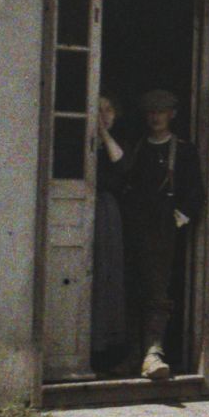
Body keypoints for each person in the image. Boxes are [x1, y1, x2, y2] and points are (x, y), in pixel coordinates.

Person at [121, 88, 206, 383]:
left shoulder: (183, 150)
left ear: (173, 114)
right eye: (151, 112)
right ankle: (133, 355)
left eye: (161, 111)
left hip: (161, 228)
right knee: (132, 287)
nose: (155, 117)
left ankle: (153, 353)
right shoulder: (137, 147)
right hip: (134, 224)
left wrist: (177, 220)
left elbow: (195, 192)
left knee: (157, 289)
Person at [90, 94, 132, 374]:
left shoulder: (119, 143)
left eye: (109, 110)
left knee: (108, 275)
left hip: (107, 213)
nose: (103, 115)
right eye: (97, 109)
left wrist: (103, 133)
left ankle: (107, 350)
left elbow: (122, 166)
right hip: (83, 208)